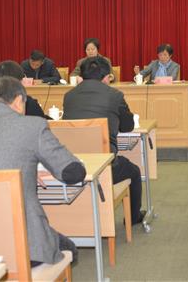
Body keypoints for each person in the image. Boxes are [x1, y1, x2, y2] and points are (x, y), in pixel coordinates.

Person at [0, 76, 85, 266]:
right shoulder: (33, 125)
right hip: (19, 243)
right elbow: (73, 173)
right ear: (18, 101)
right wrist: (35, 167)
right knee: (69, 248)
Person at [62, 57, 144, 224]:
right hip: (104, 167)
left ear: (82, 76)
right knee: (135, 171)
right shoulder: (115, 95)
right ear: (107, 77)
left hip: (74, 165)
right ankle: (133, 218)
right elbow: (127, 127)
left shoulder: (68, 96)